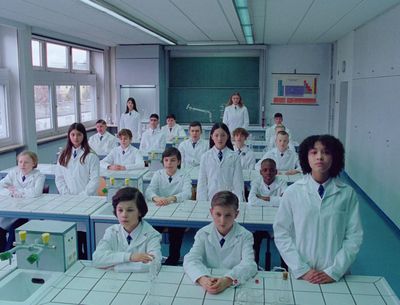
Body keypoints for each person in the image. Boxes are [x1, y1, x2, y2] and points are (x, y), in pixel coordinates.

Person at [273, 135, 363, 284]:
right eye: (314, 152)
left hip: (336, 276)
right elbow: (281, 232)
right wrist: (302, 269)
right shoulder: (293, 192)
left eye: (326, 152)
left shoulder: (347, 193)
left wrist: (334, 271)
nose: (320, 157)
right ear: (305, 157)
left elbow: (354, 236)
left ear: (335, 157)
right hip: (302, 275)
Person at [183, 191, 257, 294]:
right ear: (211, 212)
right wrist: (203, 279)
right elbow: (190, 260)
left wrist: (227, 280)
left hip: (233, 287)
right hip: (208, 283)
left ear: (236, 214)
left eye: (228, 215)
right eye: (218, 214)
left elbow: (249, 264)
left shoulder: (245, 235)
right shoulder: (203, 233)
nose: (222, 221)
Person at [55, 122, 100, 259]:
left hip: (87, 200)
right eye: (73, 134)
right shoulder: (63, 155)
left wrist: (83, 196)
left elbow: (94, 180)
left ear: (84, 136)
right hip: (68, 200)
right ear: (69, 136)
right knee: (72, 238)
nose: (75, 137)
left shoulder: (91, 155)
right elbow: (59, 178)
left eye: (79, 134)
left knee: (86, 237)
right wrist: (66, 195)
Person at [93, 187, 162, 272]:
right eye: (120, 210)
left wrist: (114, 267)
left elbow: (154, 264)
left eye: (130, 210)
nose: (124, 215)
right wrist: (130, 257)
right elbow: (97, 259)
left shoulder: (152, 234)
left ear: (140, 212)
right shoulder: (112, 231)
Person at [145, 147, 192, 265]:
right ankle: (151, 257)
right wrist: (157, 198)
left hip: (178, 211)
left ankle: (173, 259)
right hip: (160, 210)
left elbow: (187, 193)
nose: (169, 163)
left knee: (176, 231)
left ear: (179, 162)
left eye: (172, 160)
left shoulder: (184, 175)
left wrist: (171, 198)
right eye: (166, 160)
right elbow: (149, 191)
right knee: (151, 232)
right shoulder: (158, 174)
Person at [0, 151, 45, 252]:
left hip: (28, 213)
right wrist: (11, 192)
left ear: (33, 163)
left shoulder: (39, 176)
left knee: (14, 230)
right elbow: (1, 186)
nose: (22, 165)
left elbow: (36, 192)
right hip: (12, 210)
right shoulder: (13, 173)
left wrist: (17, 191)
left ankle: (10, 254)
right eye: (20, 162)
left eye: (26, 162)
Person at [248, 158, 287, 265]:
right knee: (254, 241)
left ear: (276, 171)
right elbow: (252, 201)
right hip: (259, 221)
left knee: (285, 241)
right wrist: (276, 200)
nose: (268, 173)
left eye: (271, 170)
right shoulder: (256, 182)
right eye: (265, 170)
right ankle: (254, 266)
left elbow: (285, 201)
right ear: (260, 172)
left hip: (277, 220)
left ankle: (285, 270)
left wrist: (265, 198)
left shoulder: (282, 182)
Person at [197, 122, 244, 201]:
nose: (219, 138)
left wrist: (238, 202)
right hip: (210, 199)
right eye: (216, 135)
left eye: (223, 135)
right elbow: (202, 183)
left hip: (229, 200)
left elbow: (238, 183)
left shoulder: (235, 157)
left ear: (227, 136)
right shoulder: (205, 157)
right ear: (212, 137)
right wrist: (201, 202)